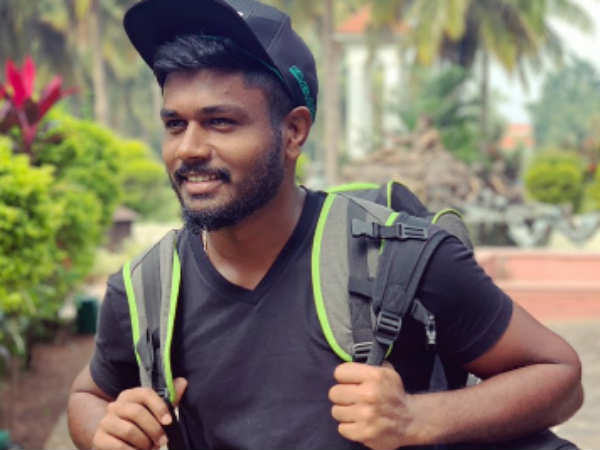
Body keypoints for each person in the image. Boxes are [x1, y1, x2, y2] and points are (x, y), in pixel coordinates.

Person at [67, 1, 583, 449]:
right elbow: (88, 396)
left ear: (294, 131)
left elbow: (559, 374)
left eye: (220, 122)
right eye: (175, 124)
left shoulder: (398, 259)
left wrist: (416, 418)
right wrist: (103, 431)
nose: (189, 148)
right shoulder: (147, 288)